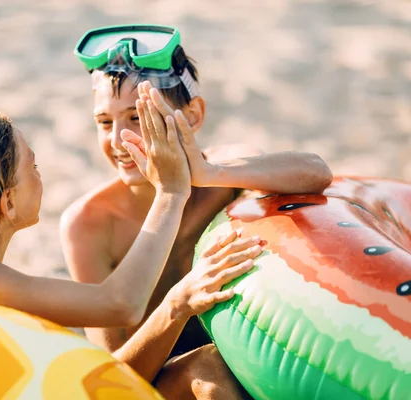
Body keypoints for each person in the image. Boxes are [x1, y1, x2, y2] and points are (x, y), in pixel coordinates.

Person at [0, 108, 259, 389]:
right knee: (210, 371)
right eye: (32, 169)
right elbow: (120, 303)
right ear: (8, 203)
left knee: (206, 369)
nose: (41, 178)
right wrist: (172, 193)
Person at [62, 24, 334, 399]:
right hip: (152, 381)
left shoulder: (222, 177)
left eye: (138, 117)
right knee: (209, 368)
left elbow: (317, 173)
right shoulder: (90, 224)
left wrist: (209, 174)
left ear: (192, 116)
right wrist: (179, 301)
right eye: (105, 122)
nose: (118, 139)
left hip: (242, 351)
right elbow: (113, 377)